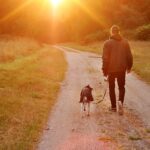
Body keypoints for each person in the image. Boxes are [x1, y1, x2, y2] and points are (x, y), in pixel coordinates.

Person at [102, 25, 133, 115]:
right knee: (121, 87)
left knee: (112, 88)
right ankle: (120, 102)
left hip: (111, 70)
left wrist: (104, 70)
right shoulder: (125, 42)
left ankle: (113, 107)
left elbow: (105, 58)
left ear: (111, 32)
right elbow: (129, 56)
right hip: (121, 69)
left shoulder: (107, 43)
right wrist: (129, 67)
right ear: (119, 32)